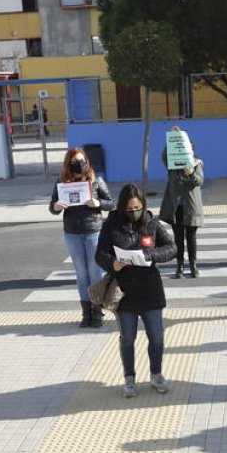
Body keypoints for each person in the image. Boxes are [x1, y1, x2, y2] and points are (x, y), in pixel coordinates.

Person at [96, 183, 177, 398]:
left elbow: (172, 248)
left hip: (150, 288)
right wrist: (112, 264)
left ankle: (156, 374)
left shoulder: (152, 222)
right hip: (124, 291)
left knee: (156, 336)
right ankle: (129, 378)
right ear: (122, 207)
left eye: (137, 208)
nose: (134, 212)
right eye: (130, 209)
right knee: (127, 337)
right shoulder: (112, 224)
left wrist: (149, 255)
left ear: (143, 205)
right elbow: (100, 254)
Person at [50, 147, 114, 327]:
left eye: (82, 160)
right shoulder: (61, 182)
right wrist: (56, 207)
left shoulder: (96, 180)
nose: (79, 164)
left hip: (93, 230)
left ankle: (97, 312)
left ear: (86, 161)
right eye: (75, 161)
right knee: (81, 274)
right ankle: (86, 313)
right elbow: (52, 206)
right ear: (68, 163)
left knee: (95, 272)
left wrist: (98, 203)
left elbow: (111, 203)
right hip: (72, 232)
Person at [158, 129, 205, 279]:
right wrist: (174, 138)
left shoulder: (196, 164)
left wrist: (191, 174)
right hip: (175, 207)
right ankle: (179, 265)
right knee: (178, 238)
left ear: (192, 151)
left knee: (191, 237)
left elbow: (199, 181)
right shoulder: (173, 165)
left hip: (191, 207)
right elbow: (165, 156)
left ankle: (193, 265)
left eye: (188, 149)